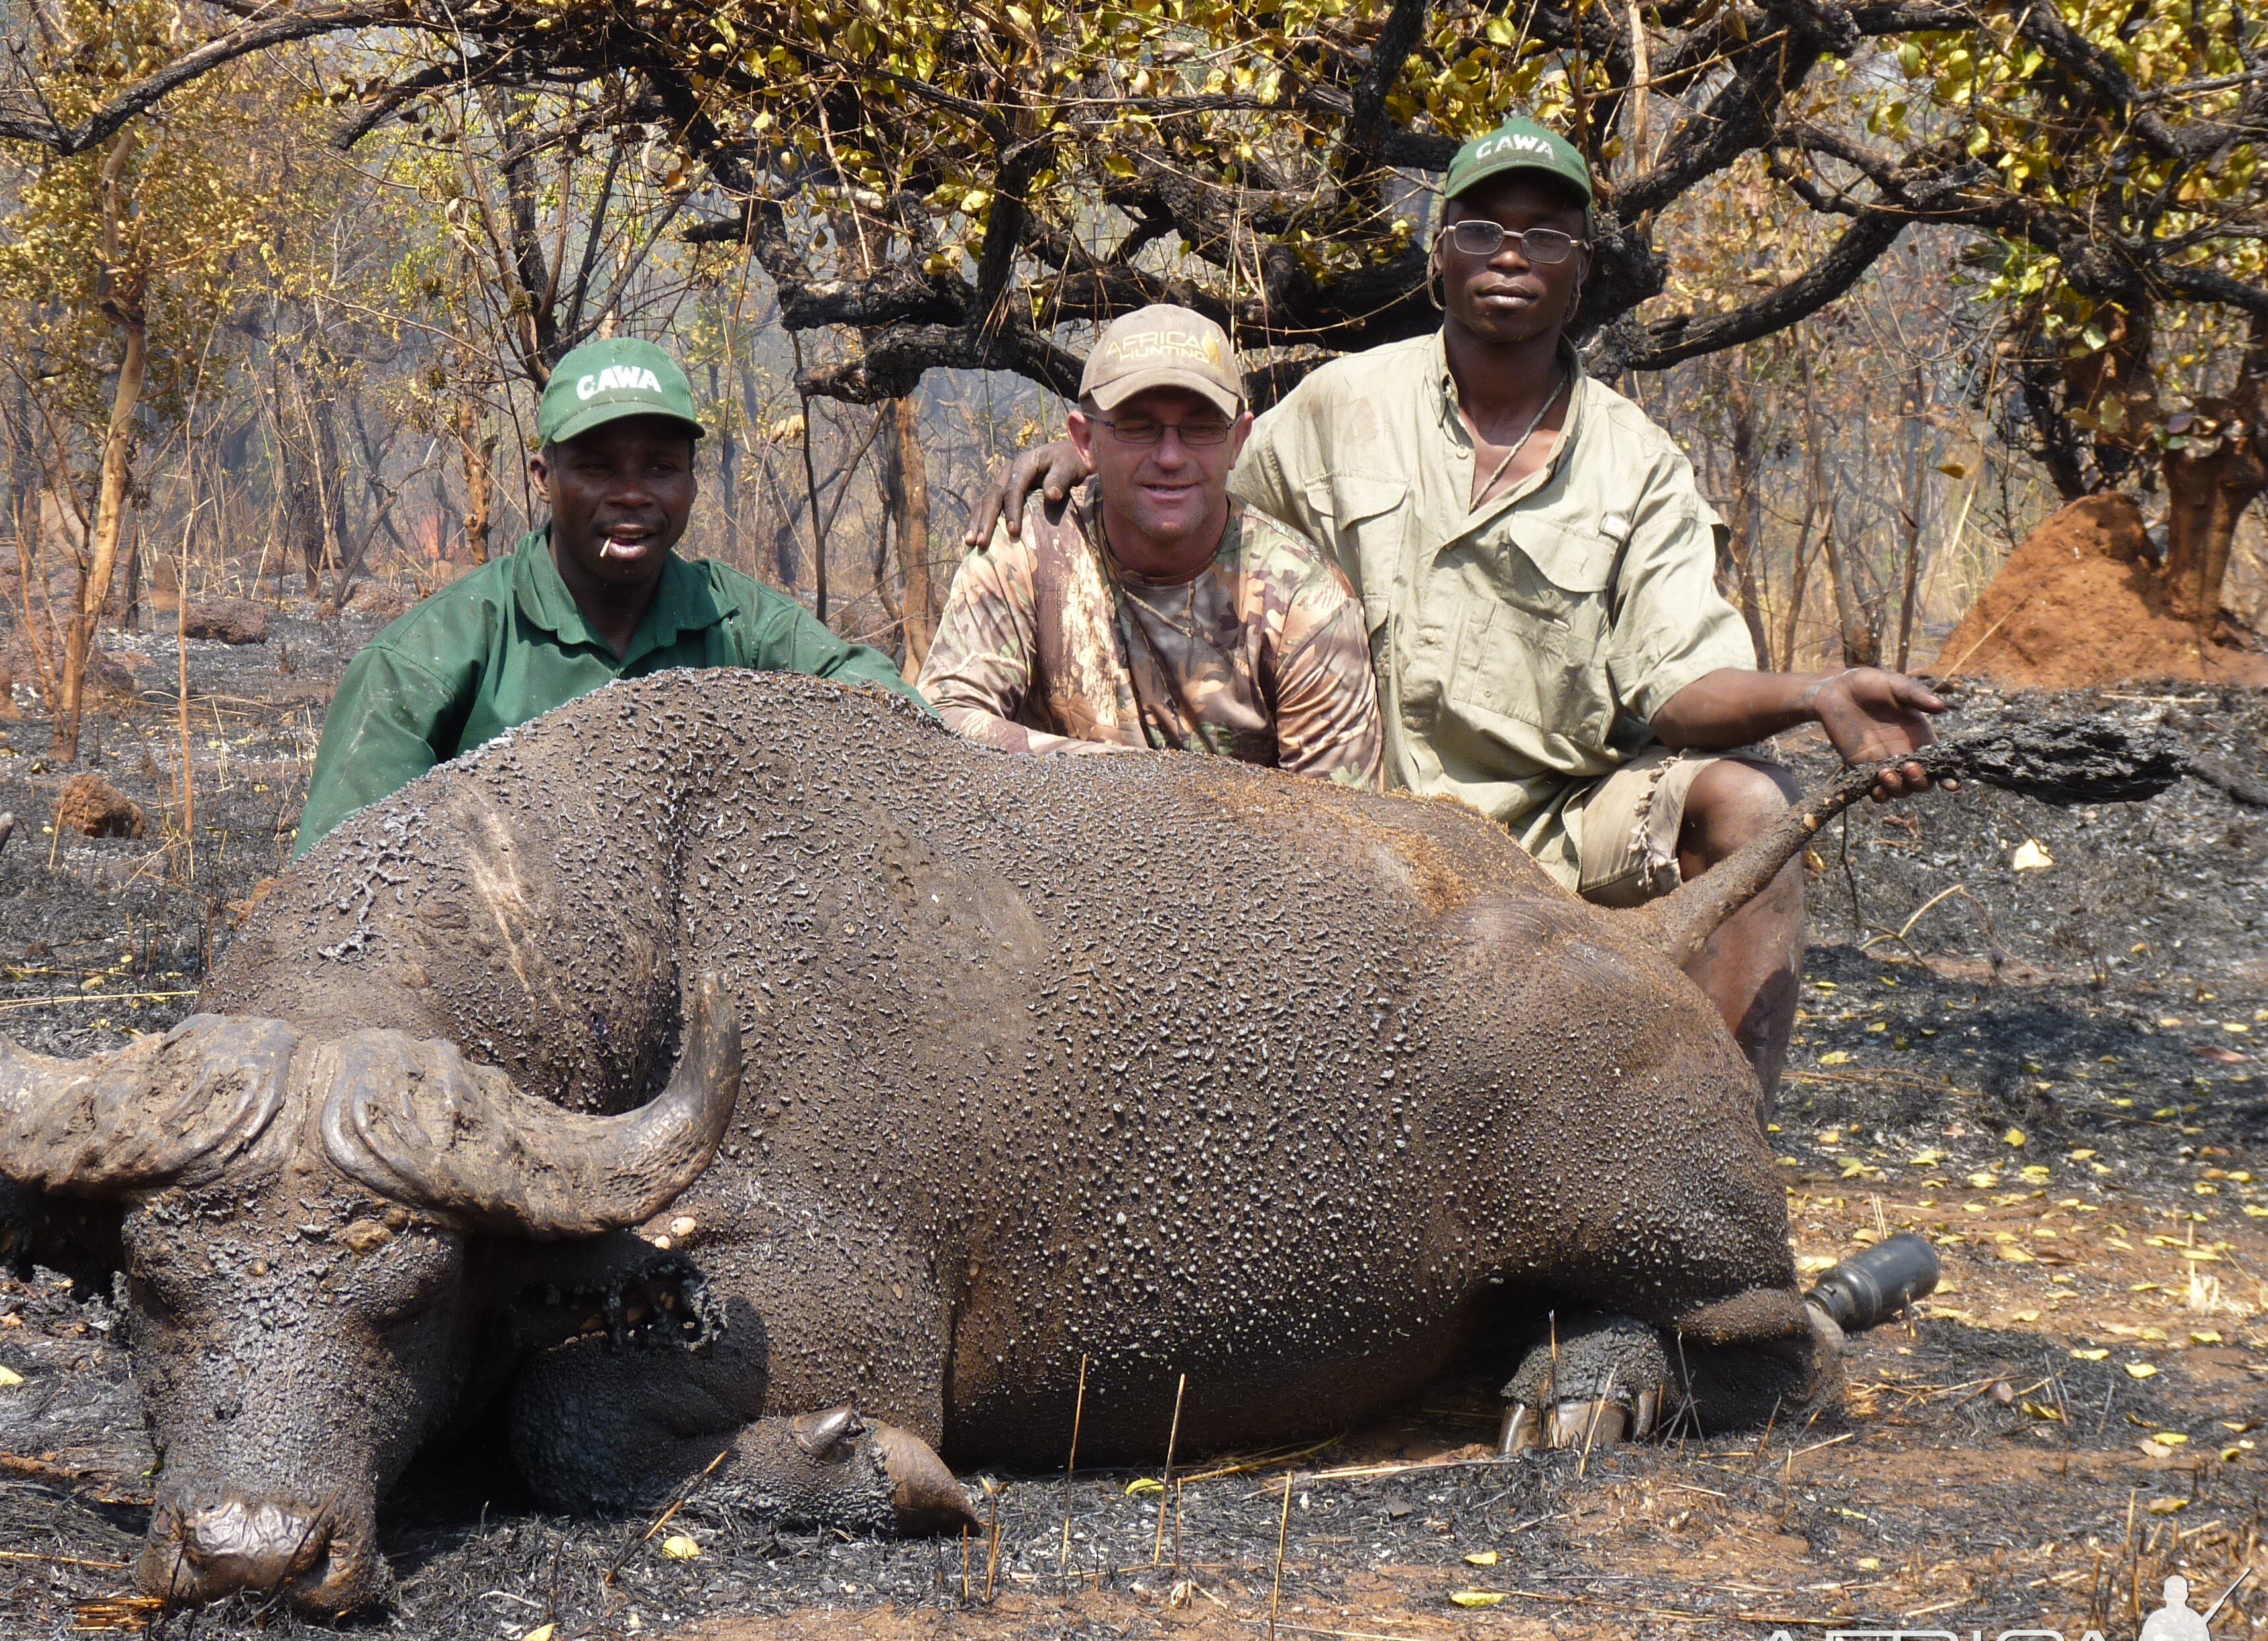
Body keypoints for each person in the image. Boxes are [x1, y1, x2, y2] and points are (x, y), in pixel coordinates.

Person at [971, 118, 1944, 1094]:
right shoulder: (1340, 405)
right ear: (1440, 255)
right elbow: (1191, 491)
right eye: (1481, 228)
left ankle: (1728, 1172)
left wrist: (1819, 691)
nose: (1512, 254)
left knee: (1750, 808)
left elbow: (1682, 685)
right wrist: (1090, 466)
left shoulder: (1637, 466)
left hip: (1557, 827)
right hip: (1358, 826)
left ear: (1584, 271)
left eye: (1547, 234)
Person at [296, 337, 922, 854]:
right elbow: (336, 881)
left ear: (692, 482)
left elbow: (885, 708)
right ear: (542, 478)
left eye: (659, 468)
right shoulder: (426, 658)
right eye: (598, 468)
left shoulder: (738, 621)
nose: (631, 495)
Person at [920, 306, 1384, 787]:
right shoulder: (1024, 551)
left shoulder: (1307, 605)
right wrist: (1151, 792)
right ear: (1085, 440)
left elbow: (1341, 834)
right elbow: (944, 723)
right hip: (1048, 850)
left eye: (1202, 428)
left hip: (1243, 861)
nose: (1169, 456)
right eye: (1138, 427)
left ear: (1239, 440)